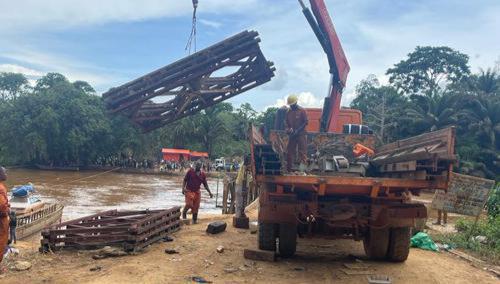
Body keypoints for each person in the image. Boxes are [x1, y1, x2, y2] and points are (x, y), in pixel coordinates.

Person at [285, 95, 308, 172]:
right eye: (290, 105)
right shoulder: (288, 112)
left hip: (301, 134)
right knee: (290, 152)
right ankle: (289, 170)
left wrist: (298, 130)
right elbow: (287, 124)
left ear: (296, 103)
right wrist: (289, 130)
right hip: (292, 135)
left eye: (292, 105)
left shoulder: (302, 111)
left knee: (303, 152)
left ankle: (302, 170)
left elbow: (305, 122)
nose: (291, 106)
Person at [0, 167, 10, 266]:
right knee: (1, 241)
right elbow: (2, 206)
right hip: (1, 220)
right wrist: (7, 209)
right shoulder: (1, 188)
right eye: (4, 172)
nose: (6, 174)